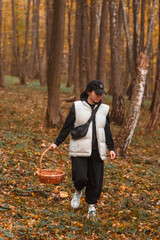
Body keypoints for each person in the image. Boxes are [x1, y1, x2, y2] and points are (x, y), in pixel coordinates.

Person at [50, 80, 116, 219]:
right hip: (79, 148)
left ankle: (91, 206)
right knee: (80, 177)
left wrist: (111, 148)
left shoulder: (104, 109)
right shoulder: (77, 107)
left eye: (101, 94)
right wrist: (57, 143)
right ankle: (78, 191)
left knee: (95, 180)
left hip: (97, 150)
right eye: (97, 94)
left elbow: (107, 130)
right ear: (89, 92)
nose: (99, 96)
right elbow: (67, 127)